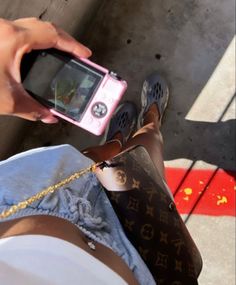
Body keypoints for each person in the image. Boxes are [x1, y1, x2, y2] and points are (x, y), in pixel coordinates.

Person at [0, 18, 202, 284]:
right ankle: (151, 120)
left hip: (29, 197)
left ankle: (115, 141)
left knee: (91, 157)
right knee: (147, 147)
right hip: (138, 261)